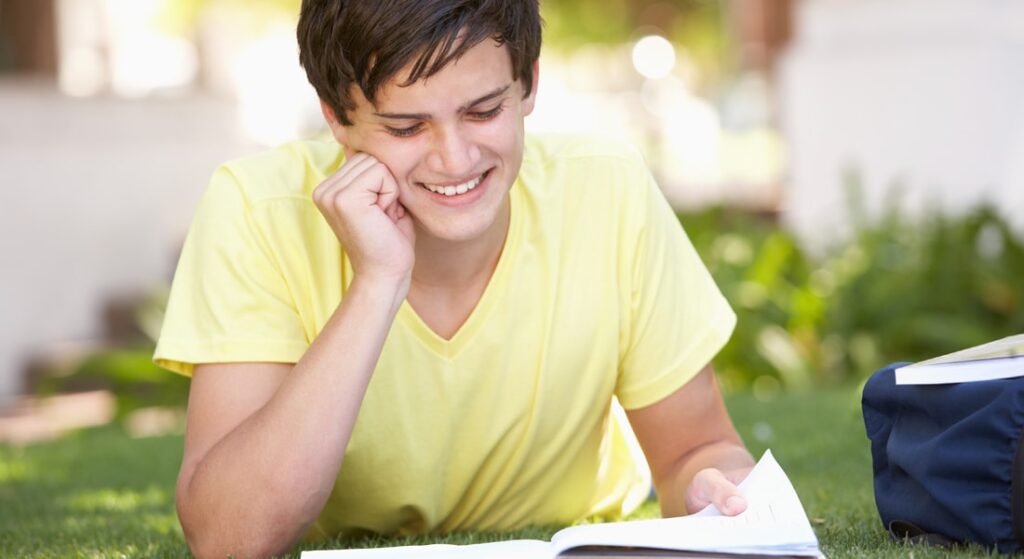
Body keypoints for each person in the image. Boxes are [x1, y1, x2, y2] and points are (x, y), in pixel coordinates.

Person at [154, 1, 755, 557]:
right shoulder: (257, 208)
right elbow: (225, 537)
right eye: (406, 126)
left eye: (484, 110)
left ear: (530, 84)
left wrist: (712, 490)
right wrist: (377, 284)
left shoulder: (608, 188)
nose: (455, 159)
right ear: (337, 117)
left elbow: (693, 453)